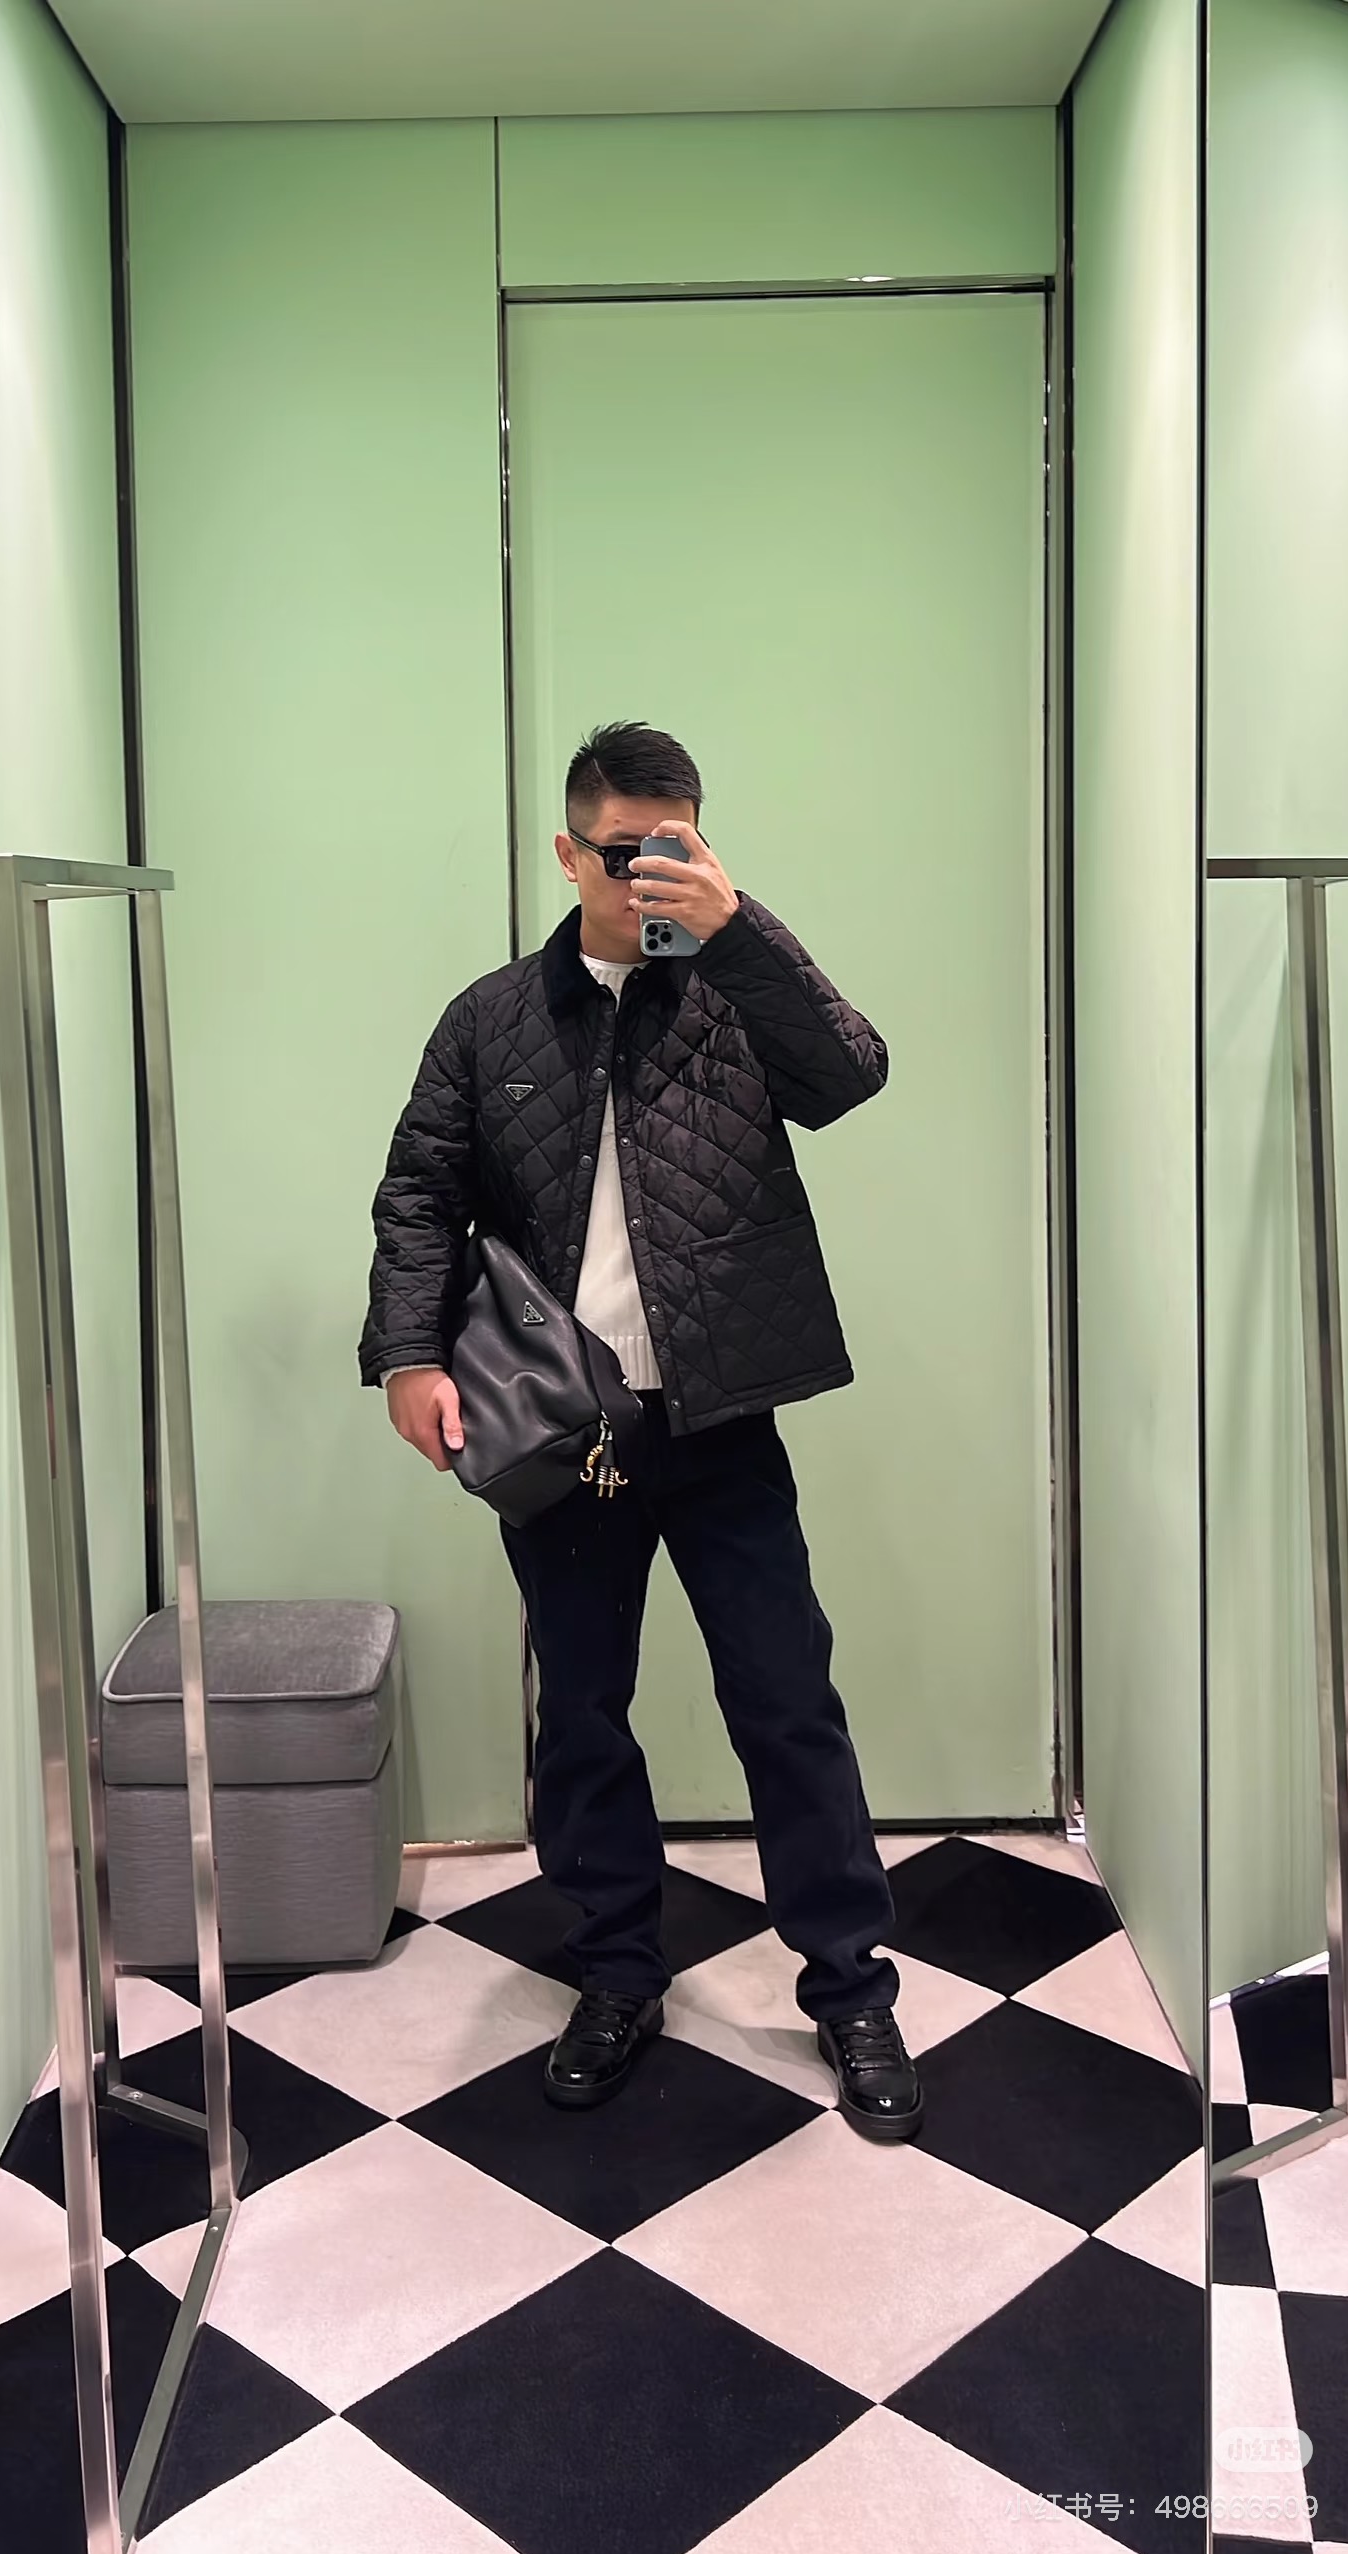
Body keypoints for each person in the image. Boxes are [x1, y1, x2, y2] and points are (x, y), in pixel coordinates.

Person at [358, 721, 921, 2142]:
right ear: (569, 853)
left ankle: (851, 1988)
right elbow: (419, 1192)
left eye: (680, 845)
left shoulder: (732, 989)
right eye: (626, 853)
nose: (652, 875)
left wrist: (741, 930)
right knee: (584, 1715)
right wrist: (409, 1356)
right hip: (565, 1431)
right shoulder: (491, 1020)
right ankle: (617, 1974)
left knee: (787, 1700)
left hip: (720, 1416)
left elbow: (851, 1075)